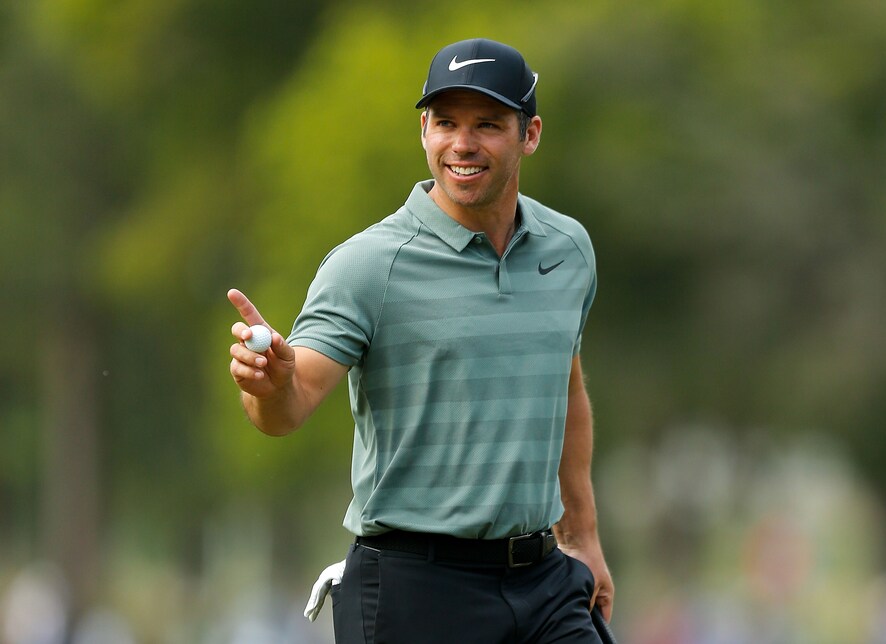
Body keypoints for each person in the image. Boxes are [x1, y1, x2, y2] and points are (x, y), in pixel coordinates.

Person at [227, 37, 614, 643]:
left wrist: (584, 537)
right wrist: (268, 386)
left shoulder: (568, 250)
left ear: (530, 134)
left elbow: (562, 386)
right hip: (416, 587)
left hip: (542, 584)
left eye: (487, 124)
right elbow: (288, 404)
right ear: (425, 132)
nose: (463, 144)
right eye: (446, 123)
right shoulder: (368, 265)